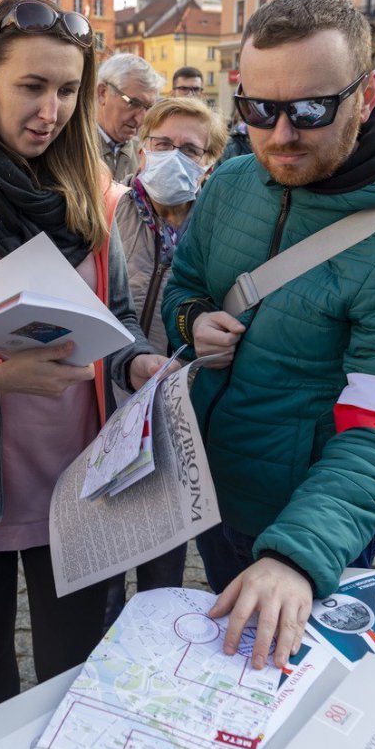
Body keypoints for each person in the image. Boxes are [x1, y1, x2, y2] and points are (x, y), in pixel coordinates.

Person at [162, 0, 375, 672]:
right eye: (258, 109)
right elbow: (186, 287)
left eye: (310, 110)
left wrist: (295, 556)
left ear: (368, 92)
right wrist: (190, 319)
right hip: (208, 481)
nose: (280, 135)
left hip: (308, 513)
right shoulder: (233, 180)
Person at [0, 0, 173, 717]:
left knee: (72, 658)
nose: (53, 109)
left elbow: (121, 319)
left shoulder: (91, 192)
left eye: (67, 89)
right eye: (32, 86)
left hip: (82, 479)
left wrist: (135, 363)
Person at [103, 97, 227, 625]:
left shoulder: (223, 229)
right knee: (106, 554)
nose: (173, 156)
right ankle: (96, 645)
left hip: (182, 414)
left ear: (210, 165)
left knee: (163, 557)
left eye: (190, 149)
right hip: (107, 405)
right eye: (162, 144)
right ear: (140, 150)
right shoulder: (104, 209)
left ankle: (153, 640)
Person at [97, 53, 164, 181]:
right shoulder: (66, 148)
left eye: (148, 107)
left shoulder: (147, 155)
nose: (141, 119)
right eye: (133, 103)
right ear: (103, 93)